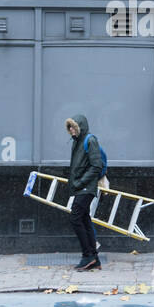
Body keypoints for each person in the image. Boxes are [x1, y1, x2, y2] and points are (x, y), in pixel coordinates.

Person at [64, 114, 105, 271]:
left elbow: (96, 166)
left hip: (86, 188)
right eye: (69, 128)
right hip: (81, 188)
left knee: (75, 218)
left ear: (80, 127)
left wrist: (80, 182)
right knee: (85, 219)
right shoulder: (77, 142)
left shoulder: (90, 140)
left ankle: (87, 255)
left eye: (73, 127)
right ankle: (94, 259)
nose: (71, 130)